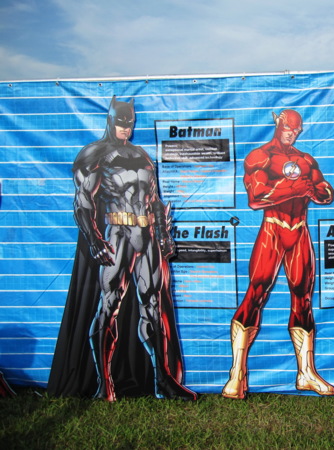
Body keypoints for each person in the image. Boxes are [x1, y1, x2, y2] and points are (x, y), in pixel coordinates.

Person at [48, 97, 196, 402]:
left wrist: (164, 236)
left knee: (153, 305)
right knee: (110, 304)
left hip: (147, 235)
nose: (126, 128)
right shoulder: (95, 154)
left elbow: (154, 199)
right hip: (118, 234)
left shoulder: (141, 155)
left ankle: (163, 380)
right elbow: (83, 201)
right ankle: (105, 384)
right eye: (121, 123)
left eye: (130, 123)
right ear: (111, 120)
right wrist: (94, 239)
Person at [222, 109, 334, 399]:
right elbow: (255, 198)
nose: (291, 134)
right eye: (288, 128)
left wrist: (316, 190)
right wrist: (294, 188)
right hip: (273, 230)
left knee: (303, 298)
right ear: (278, 124)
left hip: (299, 232)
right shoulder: (259, 157)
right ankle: (237, 373)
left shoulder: (305, 159)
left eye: (296, 130)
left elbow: (325, 192)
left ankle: (306, 373)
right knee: (256, 293)